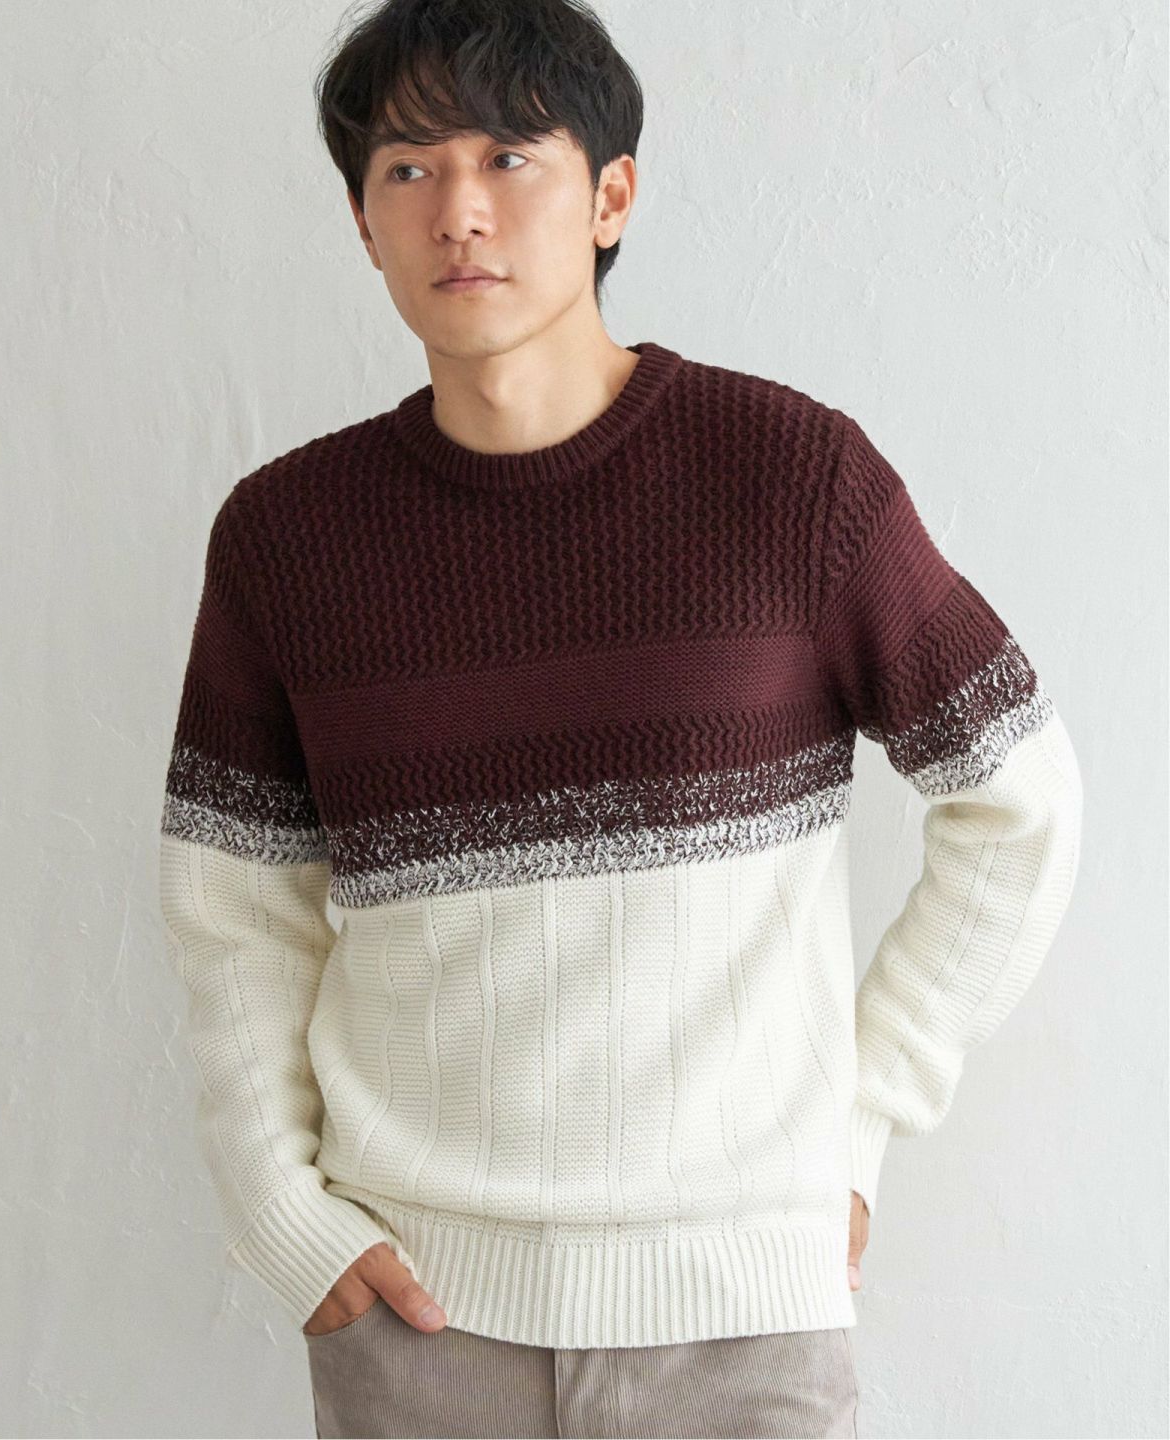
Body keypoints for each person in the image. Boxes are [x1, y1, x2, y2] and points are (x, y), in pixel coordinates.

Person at [156, 1, 1083, 1435]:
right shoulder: (288, 538)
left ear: (610, 196)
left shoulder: (792, 479)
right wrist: (283, 1215)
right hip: (418, 1324)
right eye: (407, 169)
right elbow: (235, 914)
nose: (460, 209)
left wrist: (863, 1117)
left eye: (509, 157)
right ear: (363, 222)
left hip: (741, 1322)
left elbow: (1019, 802)